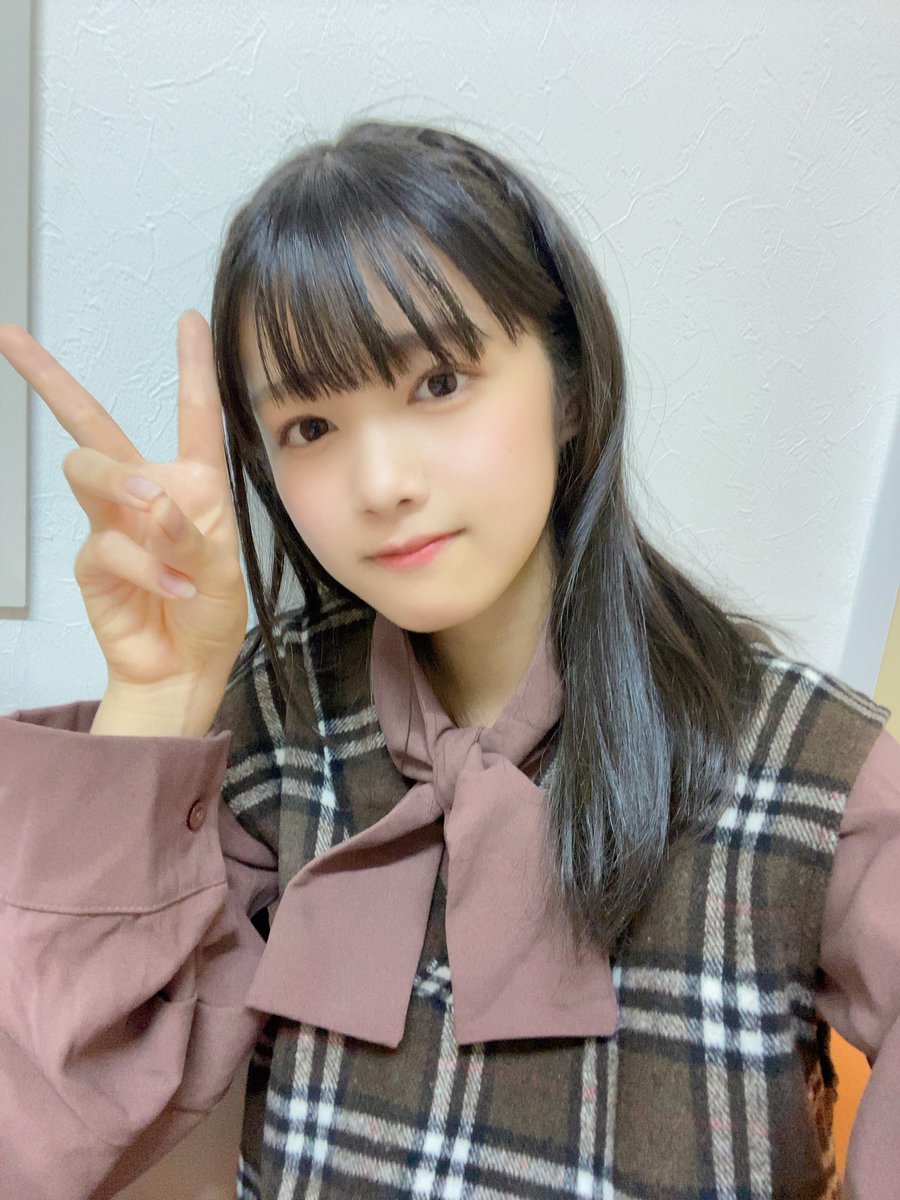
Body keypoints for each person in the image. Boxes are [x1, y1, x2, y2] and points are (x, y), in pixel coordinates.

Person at [0, 119, 897, 1200]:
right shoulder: (282, 722)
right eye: (310, 427)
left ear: (570, 387)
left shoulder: (811, 766)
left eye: (438, 382)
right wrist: (156, 699)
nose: (382, 483)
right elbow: (53, 1130)